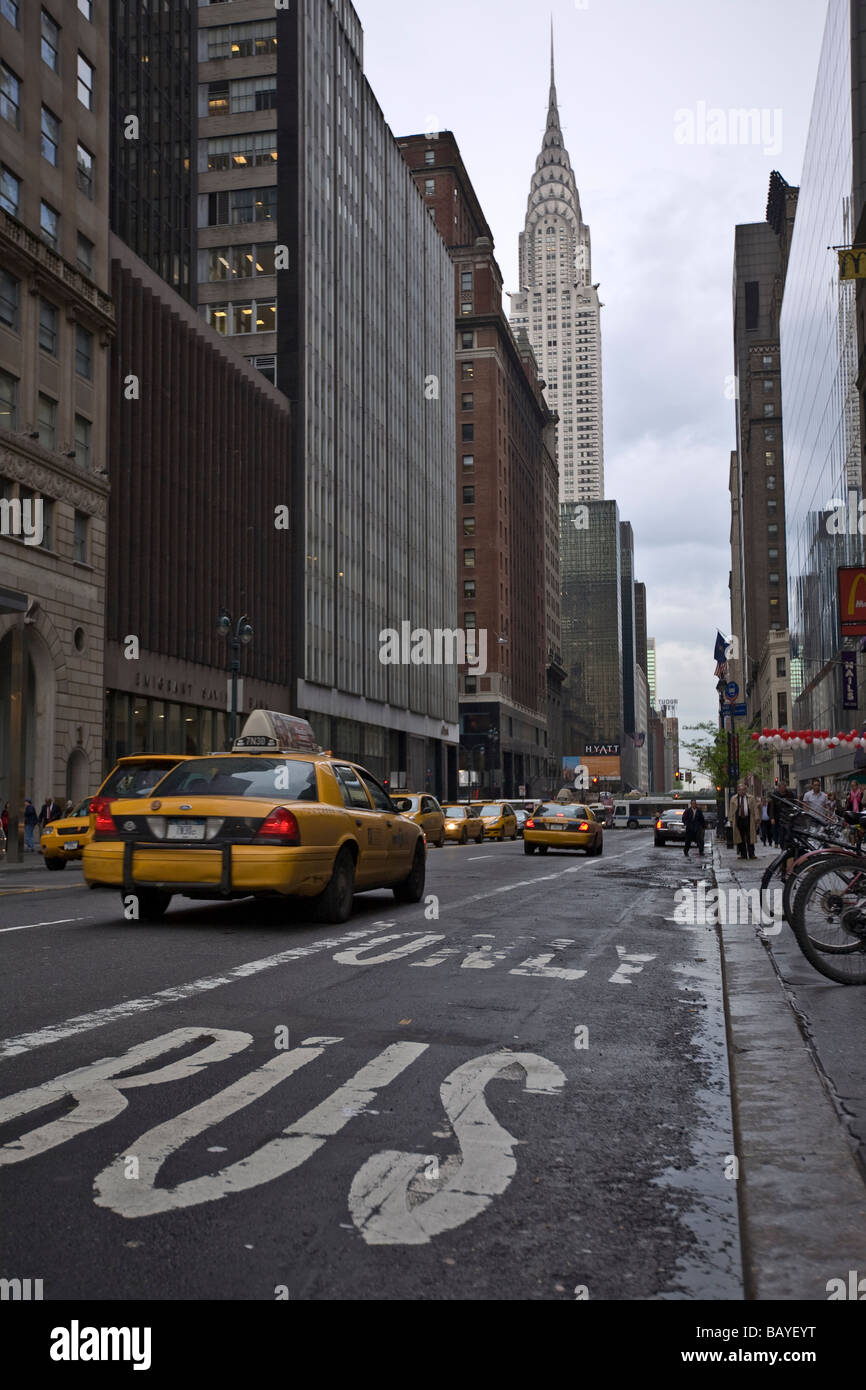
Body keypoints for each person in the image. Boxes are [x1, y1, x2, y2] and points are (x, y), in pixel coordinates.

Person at [732, 781, 758, 859]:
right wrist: (731, 819)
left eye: (743, 790)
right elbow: (731, 810)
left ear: (746, 790)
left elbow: (755, 808)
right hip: (739, 819)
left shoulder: (751, 798)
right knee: (740, 837)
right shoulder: (734, 799)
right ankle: (743, 854)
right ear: (738, 791)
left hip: (748, 819)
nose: (742, 791)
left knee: (750, 837)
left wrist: (757, 817)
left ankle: (751, 853)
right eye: (740, 790)